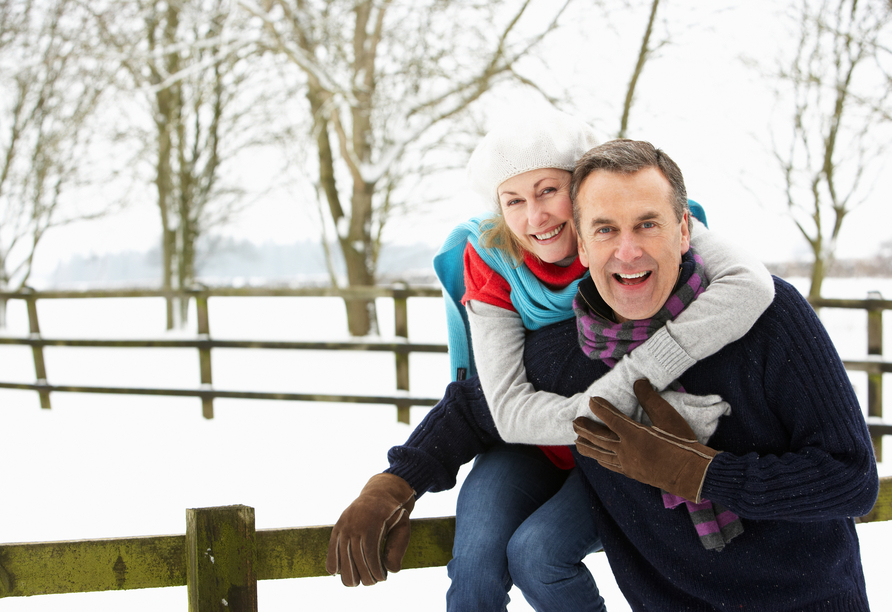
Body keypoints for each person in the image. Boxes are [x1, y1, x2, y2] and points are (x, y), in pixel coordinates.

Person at [335, 138, 879, 611]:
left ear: (685, 229)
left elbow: (852, 480)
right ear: (583, 242)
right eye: (605, 229)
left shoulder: (770, 317)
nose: (627, 251)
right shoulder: (581, 342)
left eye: (647, 224)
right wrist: (393, 485)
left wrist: (702, 474)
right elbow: (475, 408)